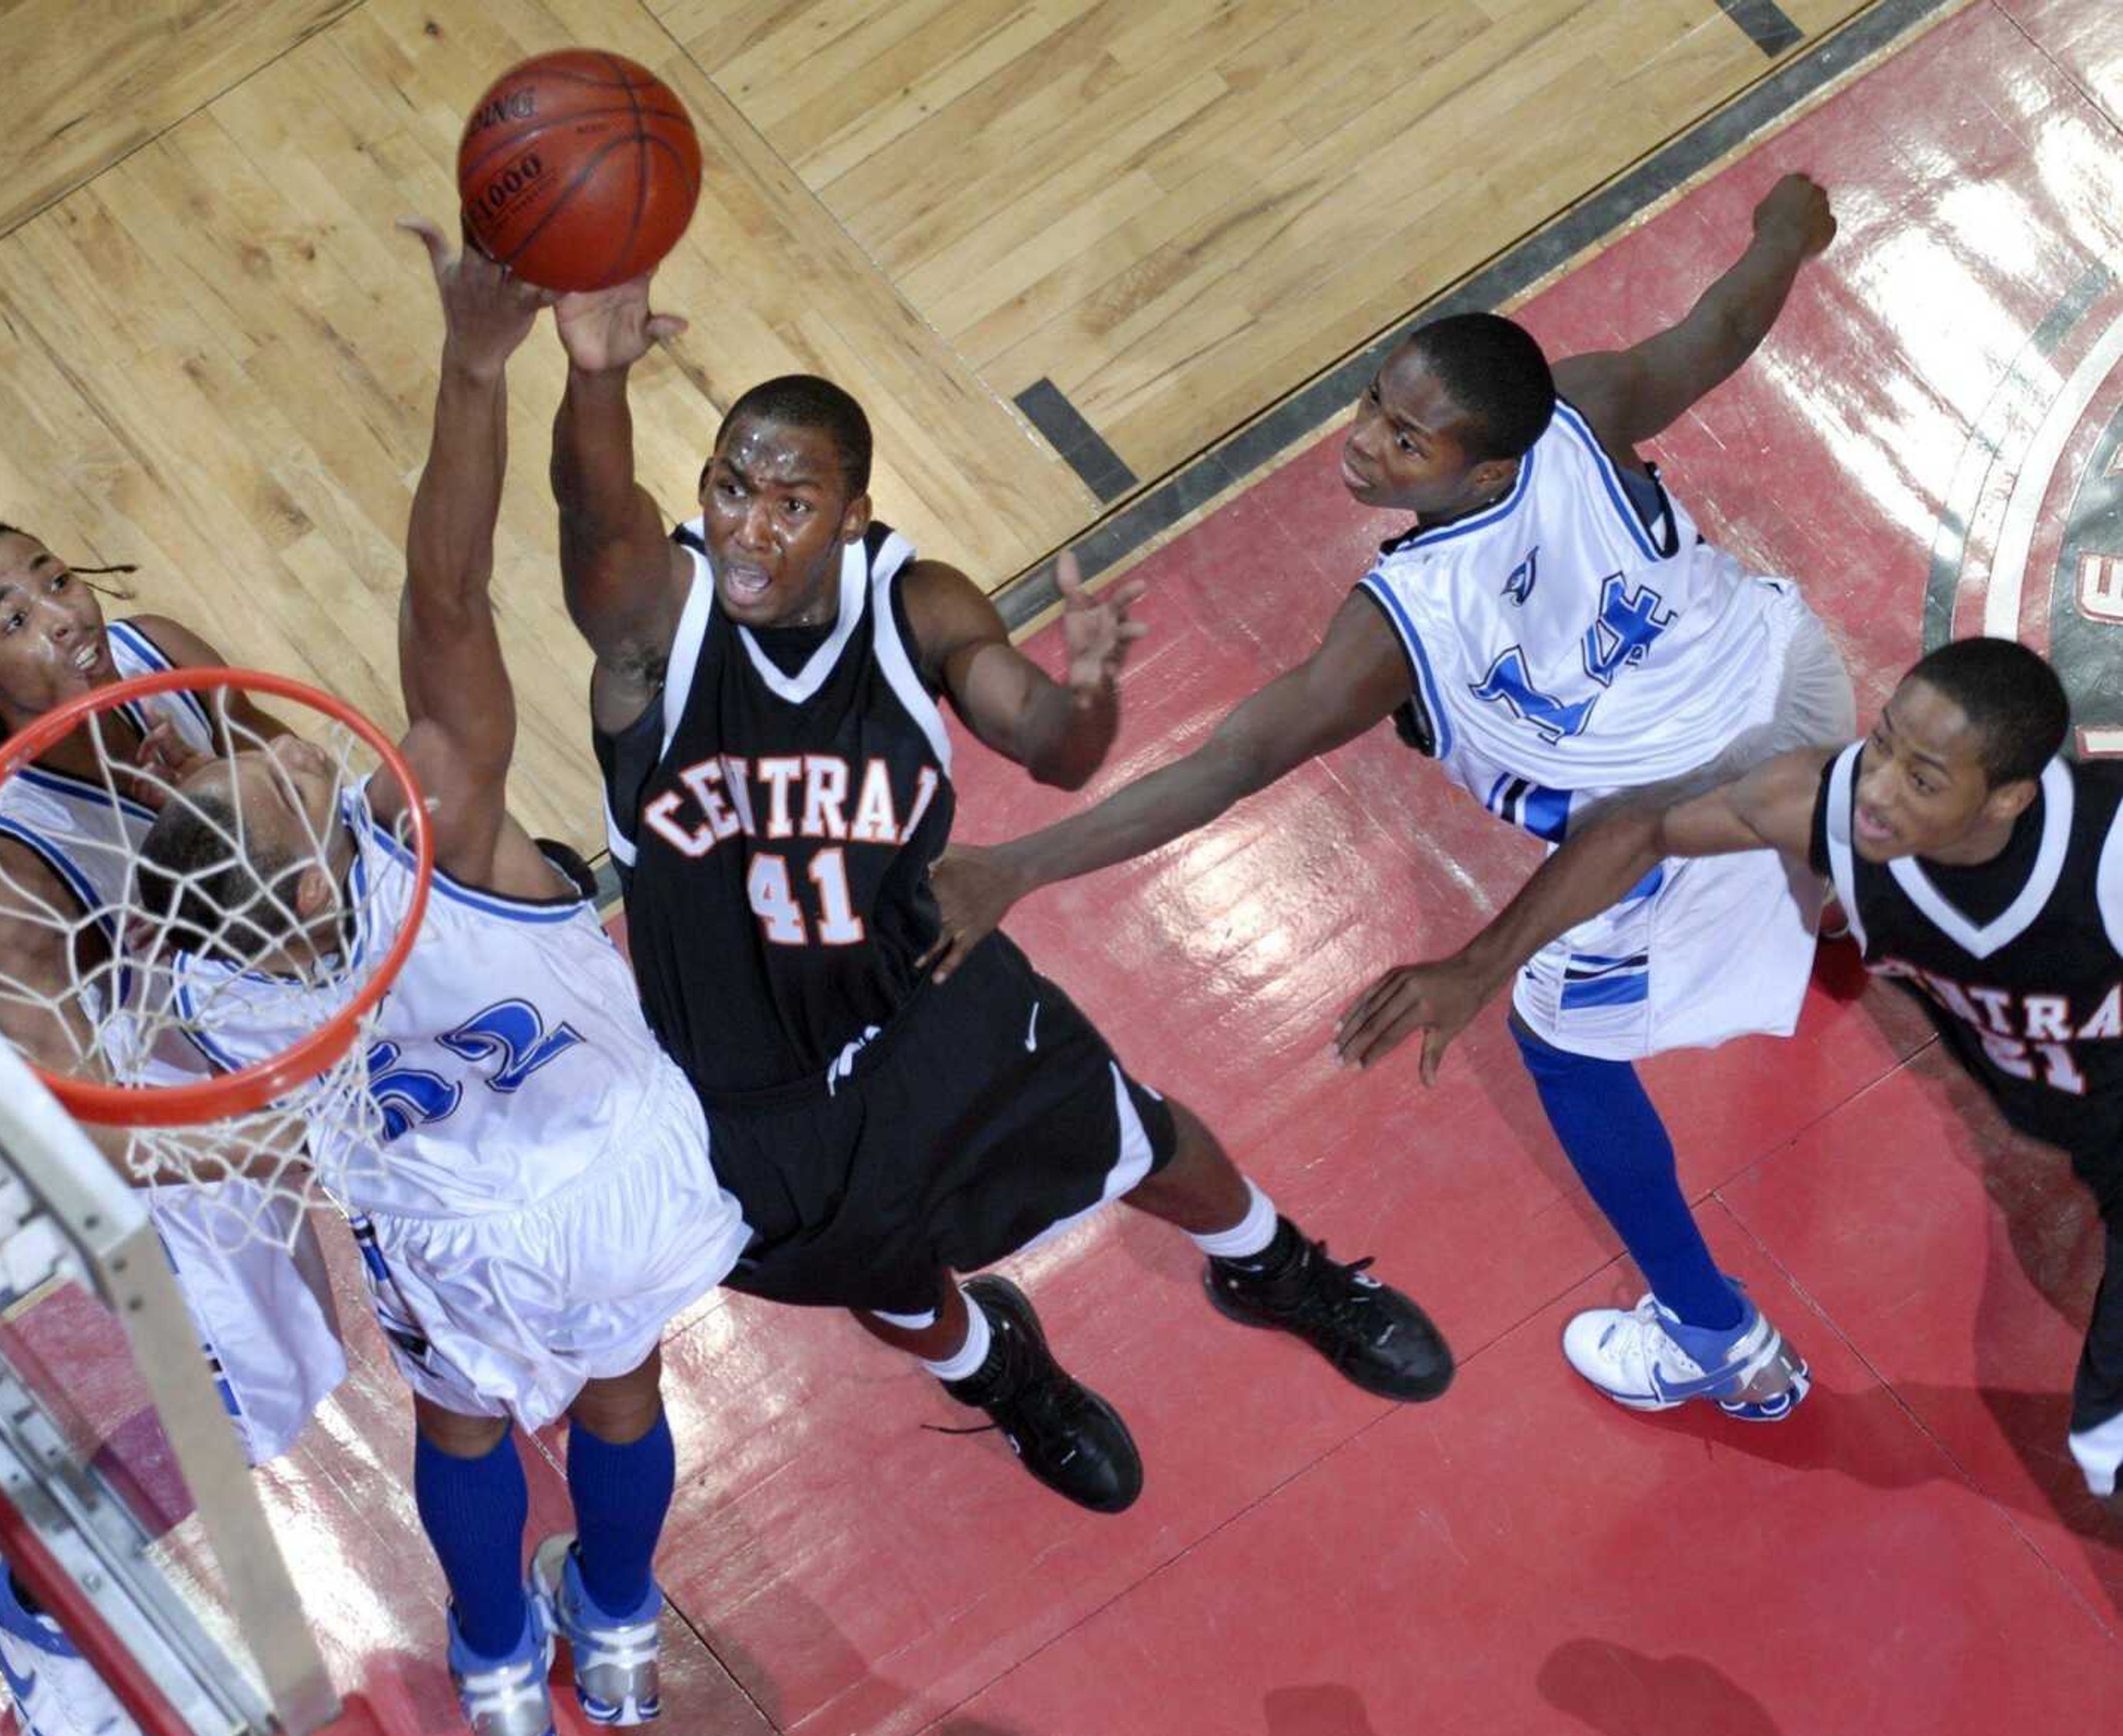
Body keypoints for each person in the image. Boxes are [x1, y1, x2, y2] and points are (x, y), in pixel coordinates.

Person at [924, 175, 1852, 1423]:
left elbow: (1231, 763)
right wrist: (1787, 233)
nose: (1365, 440)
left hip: (1690, 829)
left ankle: (1717, 1340)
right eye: (1377, 400)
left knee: (1556, 1035)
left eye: (1408, 440)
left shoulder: (1398, 622)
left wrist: (1025, 862)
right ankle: (1843, 896)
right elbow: (1717, 332)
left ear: (1480, 477)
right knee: (1829, 819)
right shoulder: (1580, 405)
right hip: (1796, 677)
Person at [543, 274, 1454, 1520]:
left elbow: (1052, 746)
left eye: (793, 503)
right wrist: (594, 377)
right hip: (748, 1080)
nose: (752, 529)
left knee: (1134, 1136)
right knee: (880, 1272)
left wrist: (1085, 693)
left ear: (853, 518)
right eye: (731, 490)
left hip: (918, 1001)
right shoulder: (663, 624)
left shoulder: (913, 606)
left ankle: (1271, 1265)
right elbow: (593, 521)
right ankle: (1004, 1373)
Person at [135, 221, 748, 1736]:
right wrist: (477, 363)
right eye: (267, 764)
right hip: (618, 1160)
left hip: (451, 1230)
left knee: (464, 1428)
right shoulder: (445, 827)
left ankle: (497, 1673)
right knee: (626, 1384)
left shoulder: (216, 1013)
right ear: (290, 851)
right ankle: (610, 1622)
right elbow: (449, 588)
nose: (286, 735)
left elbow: (220, 1158)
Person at [1332, 638, 2123, 1505]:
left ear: (2010, 797)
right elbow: (1642, 830)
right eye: (1885, 741)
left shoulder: (2107, 856)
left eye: (1922, 779)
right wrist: (1479, 966)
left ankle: (1710, 1341)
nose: (1879, 790)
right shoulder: (1825, 805)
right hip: (2075, 1127)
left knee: (2107, 1447)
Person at [0, 523, 350, 1736]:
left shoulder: (168, 665)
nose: (58, 610)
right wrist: (271, 1143)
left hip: (236, 1044)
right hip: (120, 1131)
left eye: (52, 575)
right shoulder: (1, 858)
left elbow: (314, 833)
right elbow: (91, 1134)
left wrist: (250, 797)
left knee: (296, 1371)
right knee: (250, 1395)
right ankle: (31, 1617)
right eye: (10, 613)